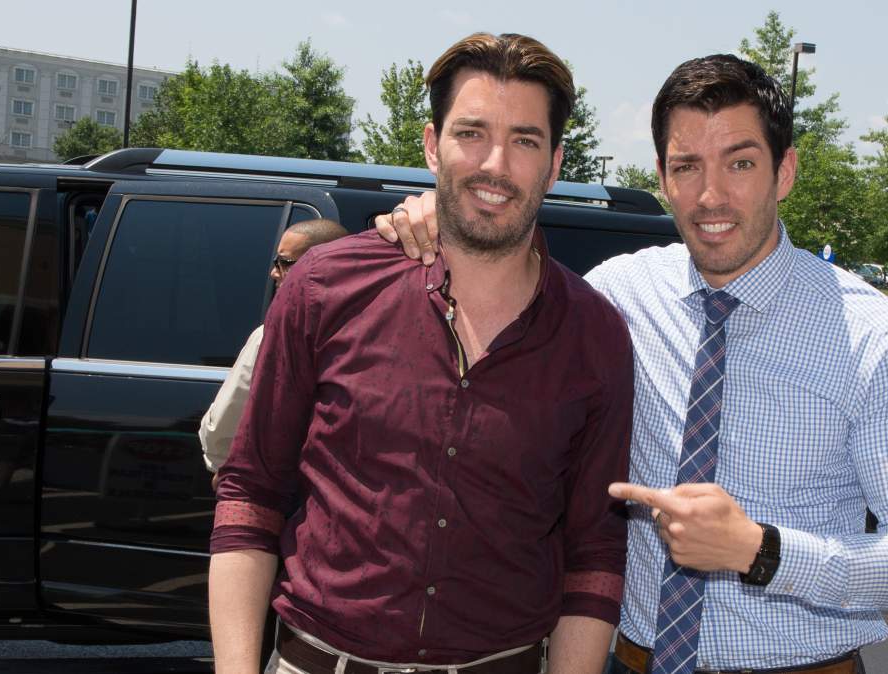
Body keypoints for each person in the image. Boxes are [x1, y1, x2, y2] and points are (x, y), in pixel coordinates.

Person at [378, 53, 888, 674]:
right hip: (631, 661)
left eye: (740, 163)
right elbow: (506, 277)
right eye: (686, 166)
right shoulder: (617, 296)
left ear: (785, 170)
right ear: (661, 176)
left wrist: (762, 551)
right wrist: (439, 218)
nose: (711, 195)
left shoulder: (874, 336)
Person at [208, 32, 633, 674]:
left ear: (554, 164)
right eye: (472, 133)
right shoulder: (324, 287)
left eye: (525, 140)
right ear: (433, 145)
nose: (496, 164)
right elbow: (250, 493)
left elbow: (594, 555)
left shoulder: (594, 334)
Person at [198, 218, 348, 481]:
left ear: (317, 266)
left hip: (279, 487)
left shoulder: (272, 335)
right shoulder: (375, 332)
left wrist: (224, 465)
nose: (274, 273)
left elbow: (223, 428)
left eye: (284, 263)